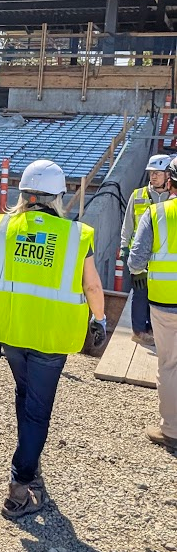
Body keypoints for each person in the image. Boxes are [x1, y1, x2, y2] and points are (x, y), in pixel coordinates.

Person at [0, 160, 106, 520]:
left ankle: (30, 463)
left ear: (24, 195)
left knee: (25, 396)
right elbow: (92, 285)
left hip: (11, 332)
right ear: (57, 197)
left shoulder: (1, 227)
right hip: (51, 337)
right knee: (37, 409)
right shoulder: (75, 234)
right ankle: (20, 484)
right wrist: (100, 319)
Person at [128, 157, 177, 451]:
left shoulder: (156, 213)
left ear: (170, 181)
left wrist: (139, 273)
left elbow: (136, 260)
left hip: (165, 303)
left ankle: (171, 430)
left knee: (170, 365)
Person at [120, 153, 172, 347]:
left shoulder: (172, 198)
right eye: (151, 173)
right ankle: (139, 331)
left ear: (168, 175)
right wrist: (124, 247)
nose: (153, 177)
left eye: (158, 173)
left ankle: (151, 327)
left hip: (163, 260)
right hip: (140, 257)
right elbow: (127, 224)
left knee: (157, 295)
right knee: (140, 293)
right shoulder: (138, 195)